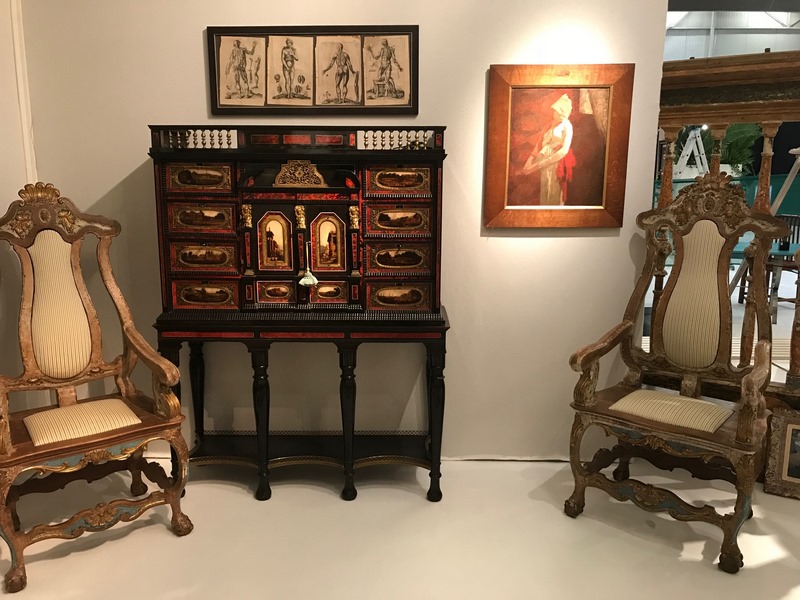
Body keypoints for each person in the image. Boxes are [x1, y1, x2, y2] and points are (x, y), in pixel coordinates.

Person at [522, 93, 575, 205]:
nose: (553, 112)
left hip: (556, 163)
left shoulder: (567, 126)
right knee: (545, 191)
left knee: (555, 192)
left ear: (561, 111)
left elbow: (564, 150)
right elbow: (539, 144)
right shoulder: (550, 125)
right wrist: (529, 161)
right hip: (544, 162)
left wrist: (540, 164)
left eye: (555, 110)